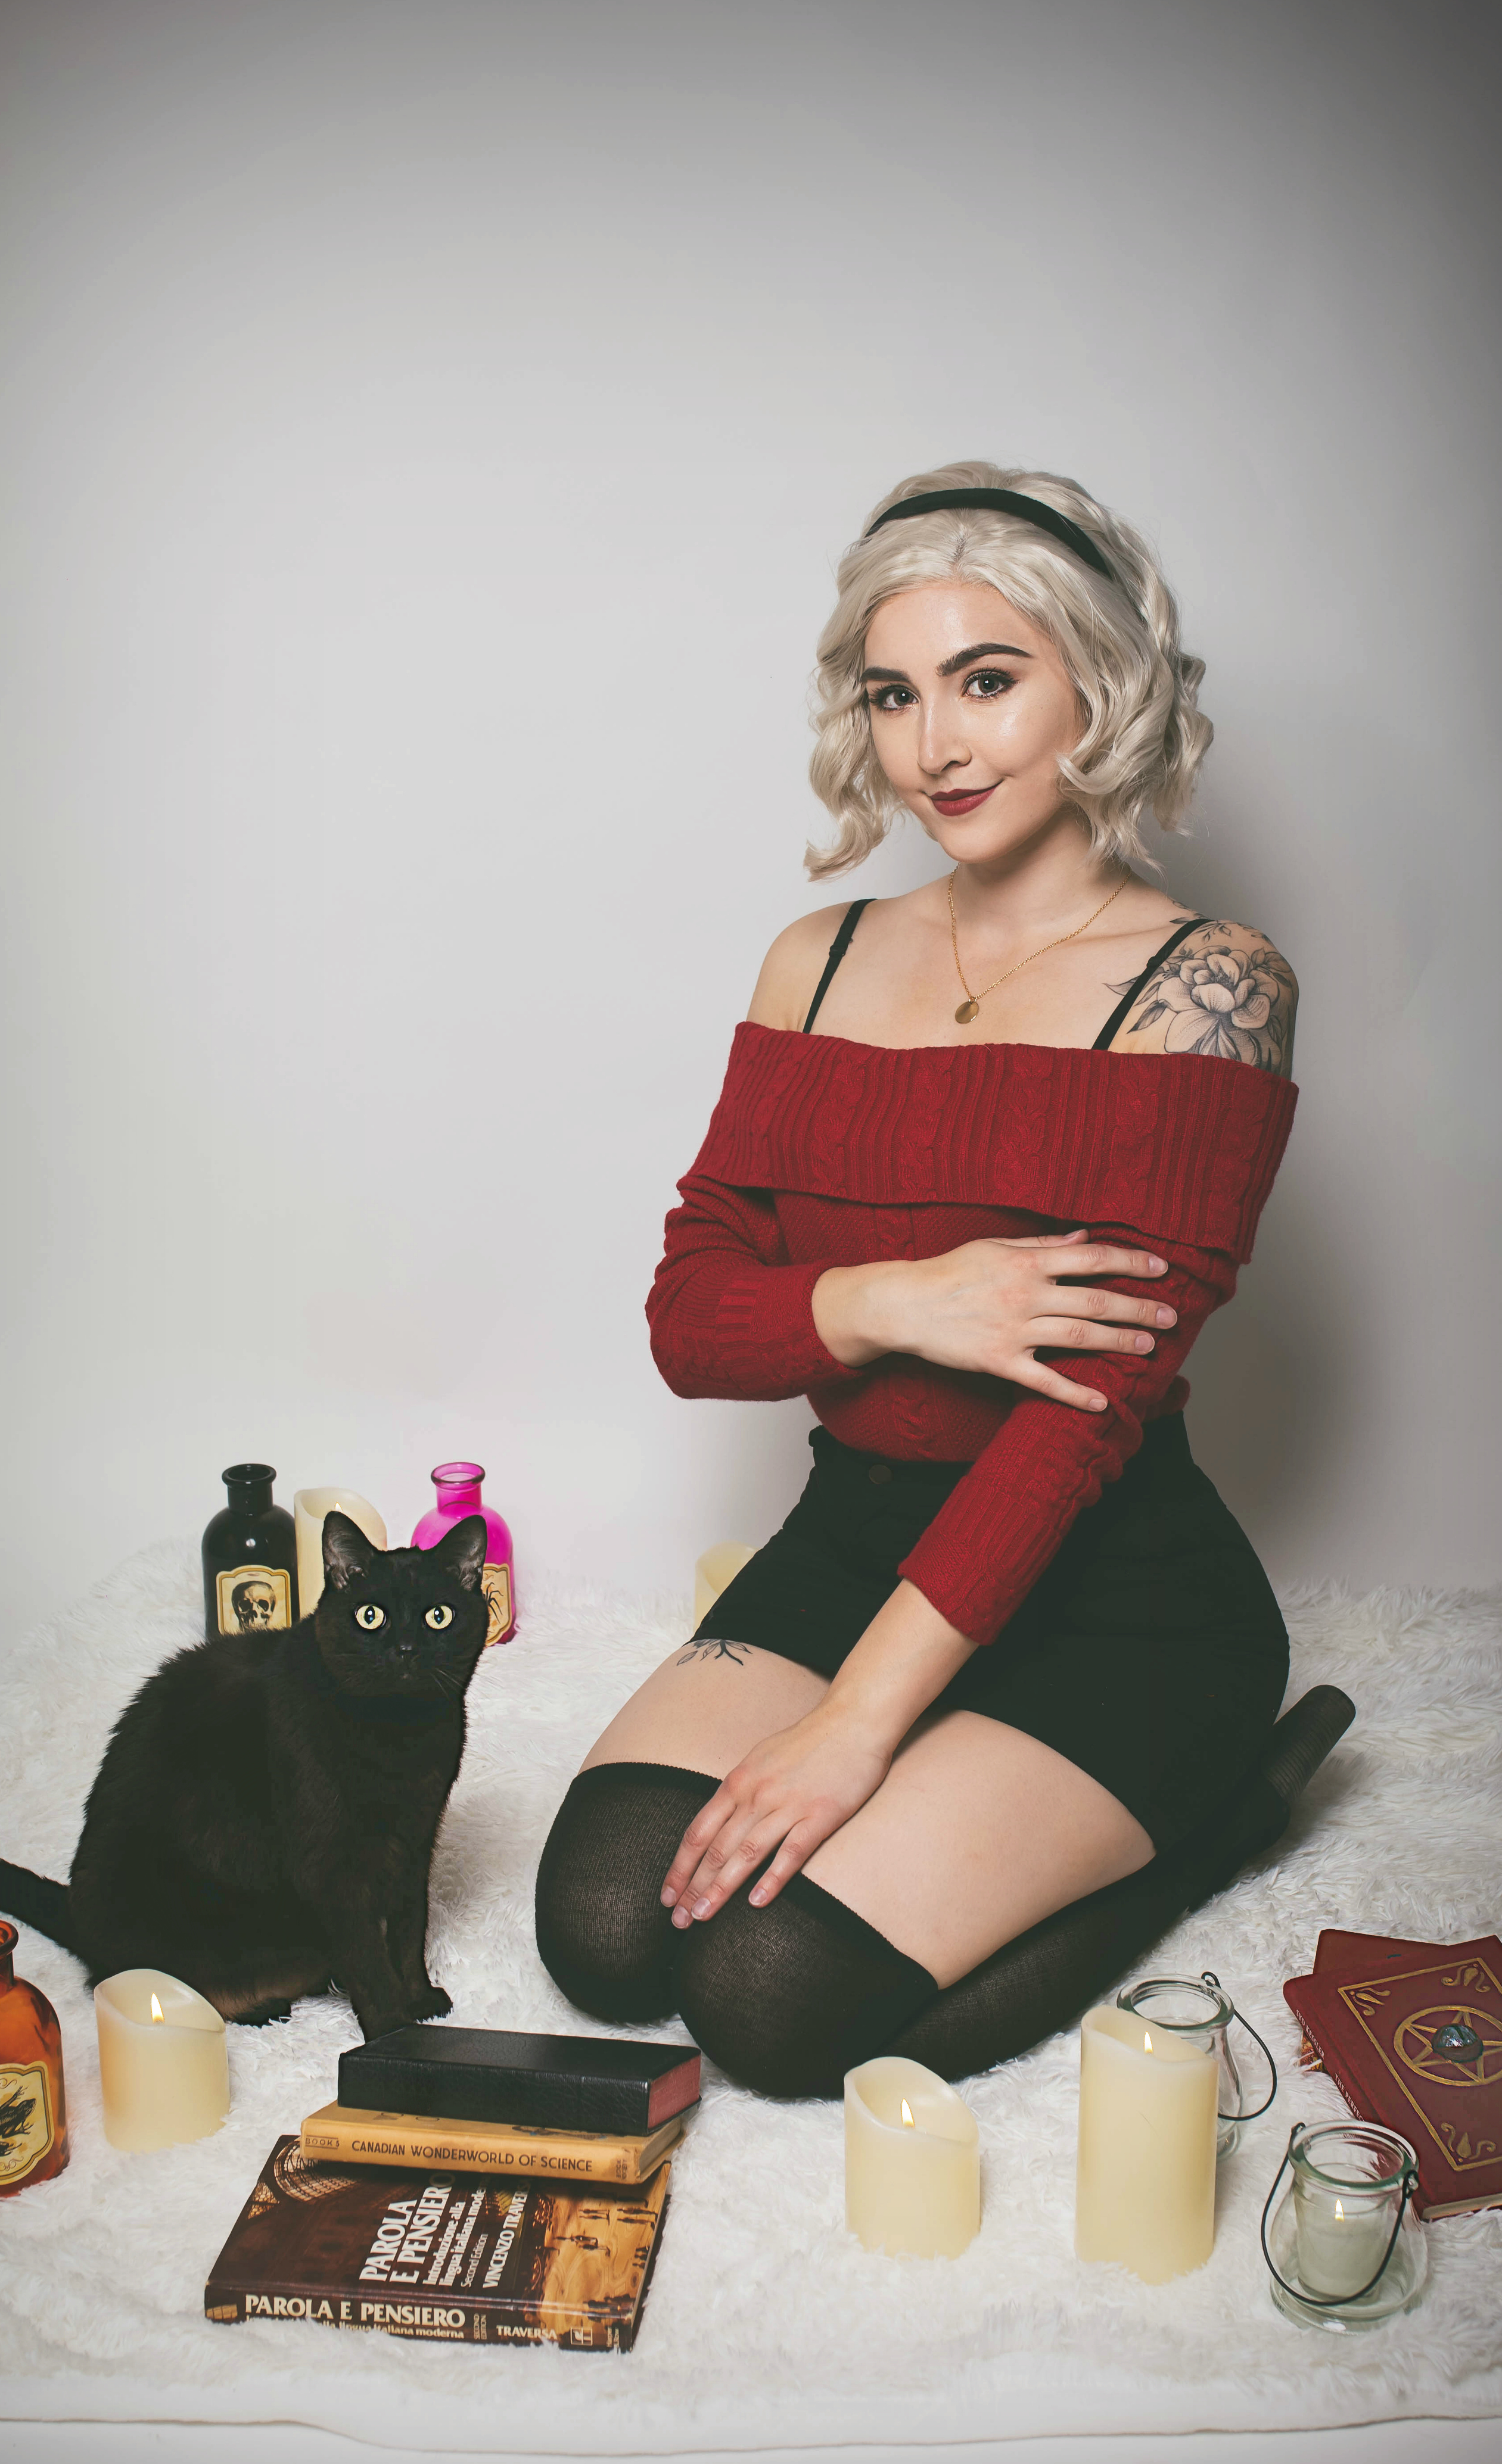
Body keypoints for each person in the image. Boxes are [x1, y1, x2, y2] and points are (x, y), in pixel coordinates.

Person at [536, 460, 1307, 2097]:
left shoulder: (1209, 987)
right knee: (603, 1931)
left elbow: (1079, 1424)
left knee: (766, 1999)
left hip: (1113, 1583)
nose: (934, 746)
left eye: (987, 680)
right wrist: (904, 1297)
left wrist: (857, 1728)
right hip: (851, 1541)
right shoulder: (814, 961)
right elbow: (691, 1324)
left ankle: (1221, 1808)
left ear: (1101, 684)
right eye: (894, 695)